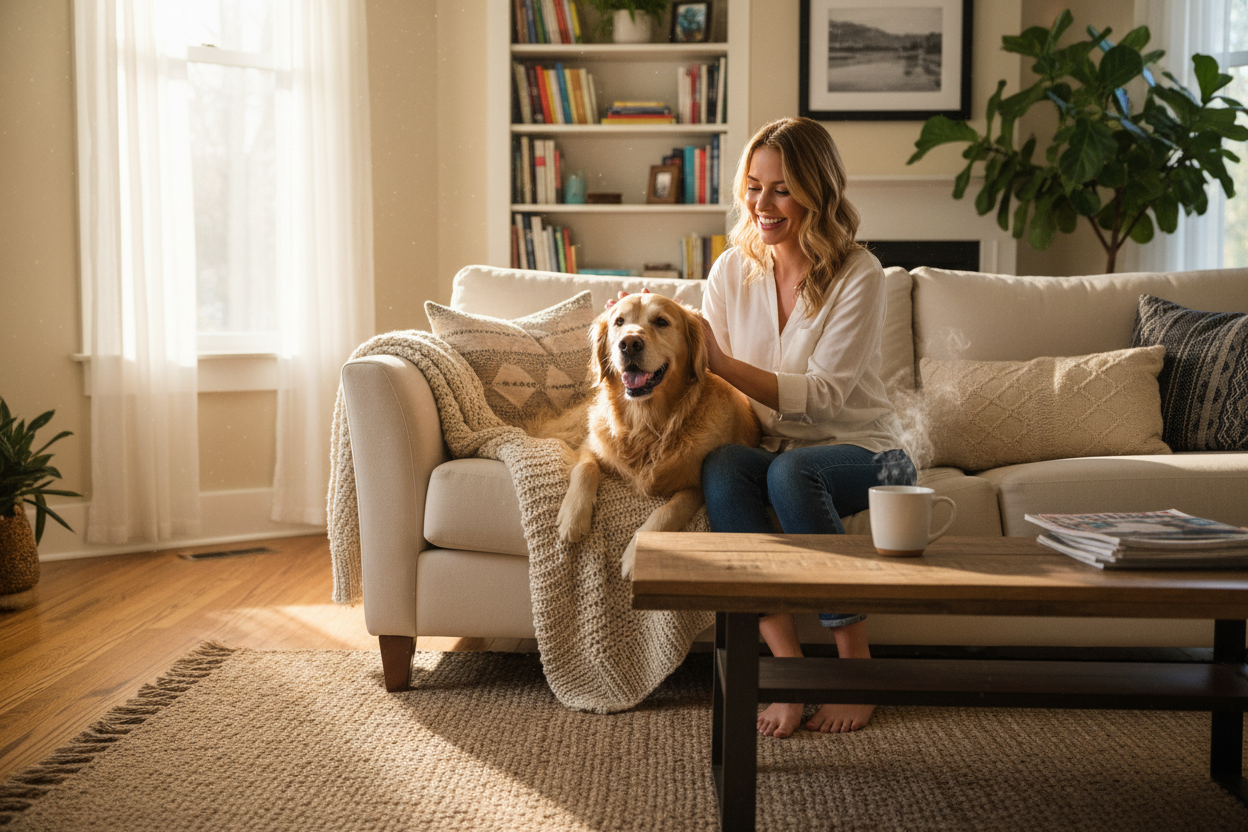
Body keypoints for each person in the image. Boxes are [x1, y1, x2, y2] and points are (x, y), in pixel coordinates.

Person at [699, 116, 916, 737]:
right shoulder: (728, 272)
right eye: (753, 185)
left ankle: (856, 672)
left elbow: (821, 398)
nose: (762, 204)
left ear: (818, 193)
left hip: (876, 452)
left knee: (793, 471)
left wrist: (720, 360)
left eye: (782, 189)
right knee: (723, 466)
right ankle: (786, 672)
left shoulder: (859, 273)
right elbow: (707, 381)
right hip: (776, 452)